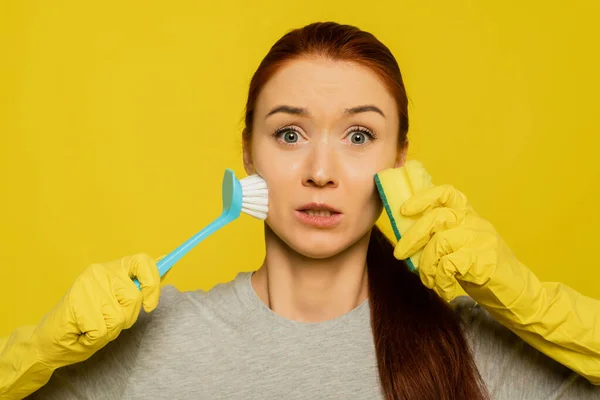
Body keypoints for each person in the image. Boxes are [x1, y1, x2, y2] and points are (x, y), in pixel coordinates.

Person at [1, 22, 599, 400]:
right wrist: (41, 351)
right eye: (289, 134)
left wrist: (528, 300)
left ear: (400, 160)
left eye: (359, 136)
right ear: (247, 154)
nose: (321, 170)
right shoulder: (149, 345)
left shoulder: (471, 346)